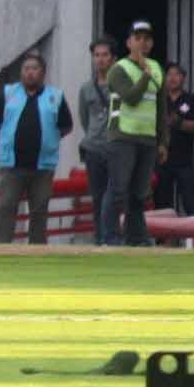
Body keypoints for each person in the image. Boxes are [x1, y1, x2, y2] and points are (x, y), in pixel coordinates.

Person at [0, 50, 73, 245]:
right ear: (21, 72)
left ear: (42, 72)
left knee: (39, 210)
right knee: (6, 207)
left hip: (43, 166)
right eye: (26, 69)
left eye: (34, 68)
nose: (30, 73)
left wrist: (49, 140)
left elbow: (66, 126)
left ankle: (37, 251)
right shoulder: (9, 93)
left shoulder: (56, 97)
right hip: (12, 165)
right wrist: (8, 139)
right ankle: (2, 249)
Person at [101, 20, 167, 246]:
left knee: (139, 192)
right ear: (129, 42)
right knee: (118, 189)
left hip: (147, 138)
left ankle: (136, 237)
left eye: (147, 39)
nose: (142, 43)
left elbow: (161, 107)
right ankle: (110, 237)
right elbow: (131, 97)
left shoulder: (157, 68)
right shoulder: (119, 69)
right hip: (122, 137)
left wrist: (162, 141)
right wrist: (145, 75)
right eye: (137, 38)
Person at [77, 37, 115, 244]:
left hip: (117, 149)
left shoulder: (121, 86)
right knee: (98, 198)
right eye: (96, 55)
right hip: (94, 149)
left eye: (105, 55)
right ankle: (100, 240)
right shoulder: (86, 89)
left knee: (117, 197)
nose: (100, 59)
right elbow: (84, 117)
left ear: (113, 58)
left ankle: (116, 238)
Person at [153, 63, 194, 216]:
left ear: (184, 78)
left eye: (177, 74)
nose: (172, 78)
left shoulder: (192, 100)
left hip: (184, 161)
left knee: (191, 204)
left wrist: (178, 123)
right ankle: (164, 240)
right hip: (161, 161)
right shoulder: (157, 100)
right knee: (162, 206)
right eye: (169, 74)